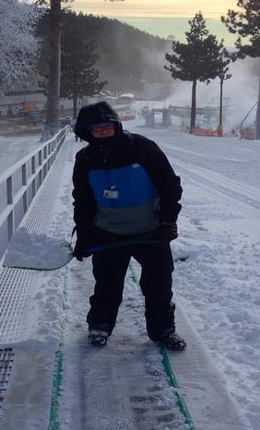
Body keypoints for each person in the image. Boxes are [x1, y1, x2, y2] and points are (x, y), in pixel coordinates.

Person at [71, 101, 186, 351]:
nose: (103, 132)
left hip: (151, 231)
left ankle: (163, 330)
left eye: (107, 127)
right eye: (96, 129)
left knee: (159, 285)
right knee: (107, 285)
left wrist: (168, 221)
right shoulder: (85, 160)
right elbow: (83, 201)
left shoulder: (142, 148)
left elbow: (170, 186)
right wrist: (84, 237)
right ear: (86, 132)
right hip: (109, 233)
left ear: (116, 126)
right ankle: (100, 325)